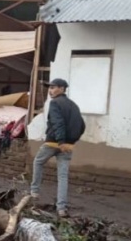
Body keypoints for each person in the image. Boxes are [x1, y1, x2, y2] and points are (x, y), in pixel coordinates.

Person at [30, 78, 86, 218]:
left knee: (38, 162)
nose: (50, 90)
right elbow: (82, 125)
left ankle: (34, 193)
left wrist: (61, 141)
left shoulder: (55, 103)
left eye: (53, 87)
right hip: (68, 146)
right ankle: (61, 209)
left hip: (54, 143)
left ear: (62, 89)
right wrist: (71, 142)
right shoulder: (73, 105)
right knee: (62, 176)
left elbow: (57, 122)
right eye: (49, 88)